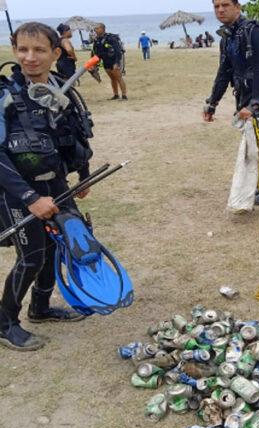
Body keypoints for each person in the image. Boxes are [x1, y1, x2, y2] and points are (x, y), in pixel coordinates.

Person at [0, 22, 96, 350]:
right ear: (14, 51)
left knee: (61, 245)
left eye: (39, 50)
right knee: (32, 256)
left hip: (56, 184)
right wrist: (29, 198)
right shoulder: (5, 95)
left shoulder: (61, 88)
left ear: (55, 53)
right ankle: (6, 323)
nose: (30, 57)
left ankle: (40, 308)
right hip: (16, 191)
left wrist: (82, 175)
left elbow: (75, 135)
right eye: (23, 50)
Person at [204, 0, 259, 206]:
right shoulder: (227, 36)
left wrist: (255, 103)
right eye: (216, 6)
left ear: (237, 7)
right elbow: (224, 72)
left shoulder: (253, 31)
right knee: (254, 143)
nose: (220, 10)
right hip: (244, 95)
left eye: (225, 5)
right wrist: (212, 103)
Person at [92, 24, 127, 100]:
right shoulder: (97, 40)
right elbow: (96, 52)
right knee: (112, 78)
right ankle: (116, 94)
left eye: (97, 28)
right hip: (105, 61)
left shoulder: (111, 38)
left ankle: (124, 95)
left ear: (103, 29)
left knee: (119, 78)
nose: (96, 30)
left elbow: (118, 51)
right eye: (95, 29)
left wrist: (117, 62)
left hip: (113, 60)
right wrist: (94, 63)